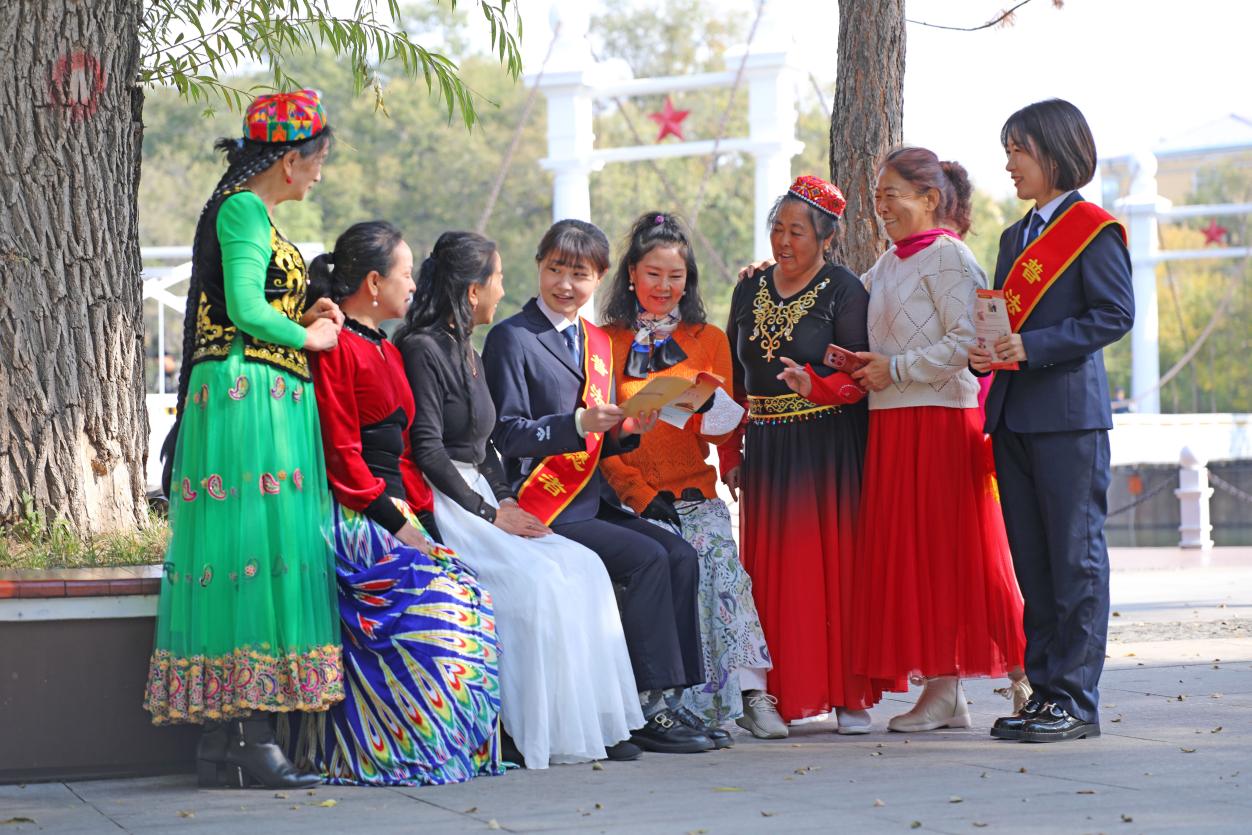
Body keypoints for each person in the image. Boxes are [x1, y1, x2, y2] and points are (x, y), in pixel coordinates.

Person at [143, 91, 344, 789]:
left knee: (249, 554)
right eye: (316, 162)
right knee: (252, 553)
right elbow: (246, 308)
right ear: (291, 160)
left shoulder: (250, 213)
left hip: (261, 392)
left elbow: (255, 299)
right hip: (247, 395)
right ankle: (250, 736)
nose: (319, 174)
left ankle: (224, 742)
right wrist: (309, 332)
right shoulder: (243, 210)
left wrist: (303, 308)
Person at [394, 230, 644, 768]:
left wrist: (508, 501)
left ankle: (594, 726)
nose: (503, 290)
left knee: (584, 568)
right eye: (498, 279)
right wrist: (489, 512)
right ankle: (526, 729)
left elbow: (488, 446)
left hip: (485, 496)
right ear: (471, 291)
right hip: (449, 502)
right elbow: (430, 450)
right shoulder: (421, 349)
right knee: (536, 585)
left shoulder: (468, 349)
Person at [483, 219, 719, 754]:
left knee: (679, 554)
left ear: (600, 277)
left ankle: (669, 699)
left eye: (580, 274)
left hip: (592, 496)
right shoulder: (512, 338)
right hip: (547, 501)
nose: (566, 284)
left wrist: (628, 429)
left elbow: (602, 438)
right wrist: (578, 425)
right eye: (555, 270)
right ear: (538, 266)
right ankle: (637, 704)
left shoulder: (593, 341)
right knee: (648, 559)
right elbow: (506, 433)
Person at [824, 147, 1027, 732]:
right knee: (915, 559)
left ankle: (1026, 676)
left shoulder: (950, 258)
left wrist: (898, 368)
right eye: (878, 196)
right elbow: (842, 305)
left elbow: (971, 340)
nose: (881, 207)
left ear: (930, 199)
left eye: (892, 195)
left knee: (959, 555)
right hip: (892, 422)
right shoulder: (886, 265)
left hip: (940, 420)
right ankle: (945, 691)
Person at [300, 221, 504, 785]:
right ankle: (395, 751)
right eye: (405, 274)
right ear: (372, 282)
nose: (414, 286)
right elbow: (344, 459)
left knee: (471, 591)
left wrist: (429, 521)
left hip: (399, 510)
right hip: (356, 516)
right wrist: (399, 522)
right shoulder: (337, 346)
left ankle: (451, 750)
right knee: (442, 606)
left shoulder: (384, 347)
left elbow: (409, 456)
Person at [969, 99, 1134, 744]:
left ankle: (1076, 700)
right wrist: (993, 346)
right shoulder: (1014, 238)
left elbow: (1113, 315)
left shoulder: (1093, 229)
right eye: (1008, 150)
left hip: (1068, 417)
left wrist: (1032, 347)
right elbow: (1010, 321)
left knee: (1075, 560)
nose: (1008, 164)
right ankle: (1043, 692)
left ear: (1054, 152)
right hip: (1013, 415)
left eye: (1018, 150)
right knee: (1033, 563)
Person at [598, 212, 781, 740]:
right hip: (632, 500)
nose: (663, 286)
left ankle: (750, 692)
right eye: (653, 274)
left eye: (675, 276)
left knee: (722, 567)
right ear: (632, 273)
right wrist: (638, 492)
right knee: (673, 568)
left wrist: (712, 411)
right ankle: (676, 705)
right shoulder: (602, 342)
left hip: (696, 492)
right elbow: (599, 439)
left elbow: (722, 437)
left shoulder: (707, 340)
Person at [720, 176, 885, 733]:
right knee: (772, 577)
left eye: (797, 231)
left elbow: (861, 375)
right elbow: (731, 380)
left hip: (827, 447)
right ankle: (776, 695)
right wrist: (728, 451)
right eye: (776, 228)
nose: (783, 241)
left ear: (826, 238)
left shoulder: (845, 291)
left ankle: (848, 695)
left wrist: (815, 386)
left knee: (833, 570)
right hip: (765, 447)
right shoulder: (748, 288)